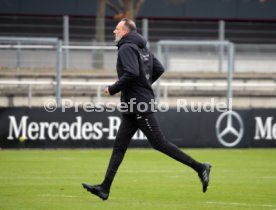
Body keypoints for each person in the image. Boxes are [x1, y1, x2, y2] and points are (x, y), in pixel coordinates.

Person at [82, 18, 211, 200]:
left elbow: (132, 73)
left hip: (138, 104)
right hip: (133, 105)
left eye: (117, 29)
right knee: (119, 147)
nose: (114, 32)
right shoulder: (142, 48)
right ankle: (105, 187)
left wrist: (112, 88)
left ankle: (200, 167)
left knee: (159, 143)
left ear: (125, 31)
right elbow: (159, 69)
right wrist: (144, 84)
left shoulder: (126, 47)